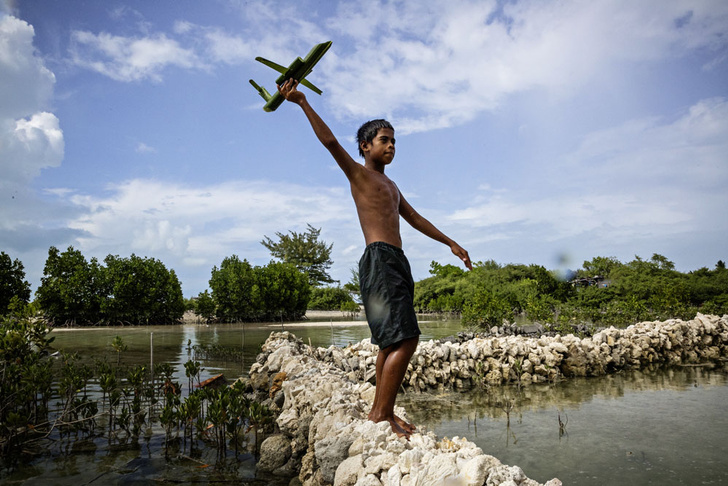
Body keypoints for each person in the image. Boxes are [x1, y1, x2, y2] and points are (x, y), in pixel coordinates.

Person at [278, 79, 472, 438]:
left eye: (394, 141)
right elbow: (331, 142)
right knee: (407, 338)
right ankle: (382, 414)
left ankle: (381, 412)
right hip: (380, 259)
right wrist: (302, 101)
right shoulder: (359, 174)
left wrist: (450, 242)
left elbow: (414, 218)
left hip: (396, 260)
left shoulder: (392, 186)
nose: (392, 146)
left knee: (389, 340)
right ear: (366, 146)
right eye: (385, 140)